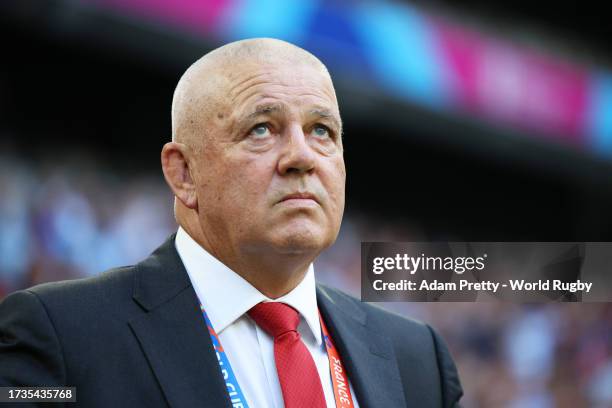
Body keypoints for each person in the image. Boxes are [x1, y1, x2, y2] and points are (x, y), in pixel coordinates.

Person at [0, 38, 462, 407]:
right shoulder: (60, 337)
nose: (302, 156)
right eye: (261, 128)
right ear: (183, 174)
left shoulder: (416, 359)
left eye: (322, 130)